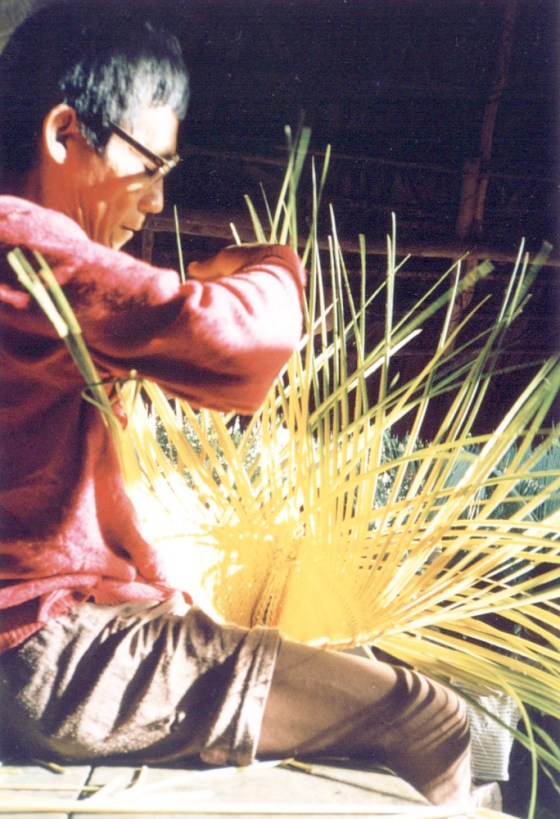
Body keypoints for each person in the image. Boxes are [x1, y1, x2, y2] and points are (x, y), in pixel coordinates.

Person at [0, 1, 471, 806]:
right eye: (151, 165)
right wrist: (269, 265)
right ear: (64, 132)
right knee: (433, 721)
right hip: (57, 651)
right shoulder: (24, 245)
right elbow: (239, 340)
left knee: (372, 682)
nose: (155, 201)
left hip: (53, 641)